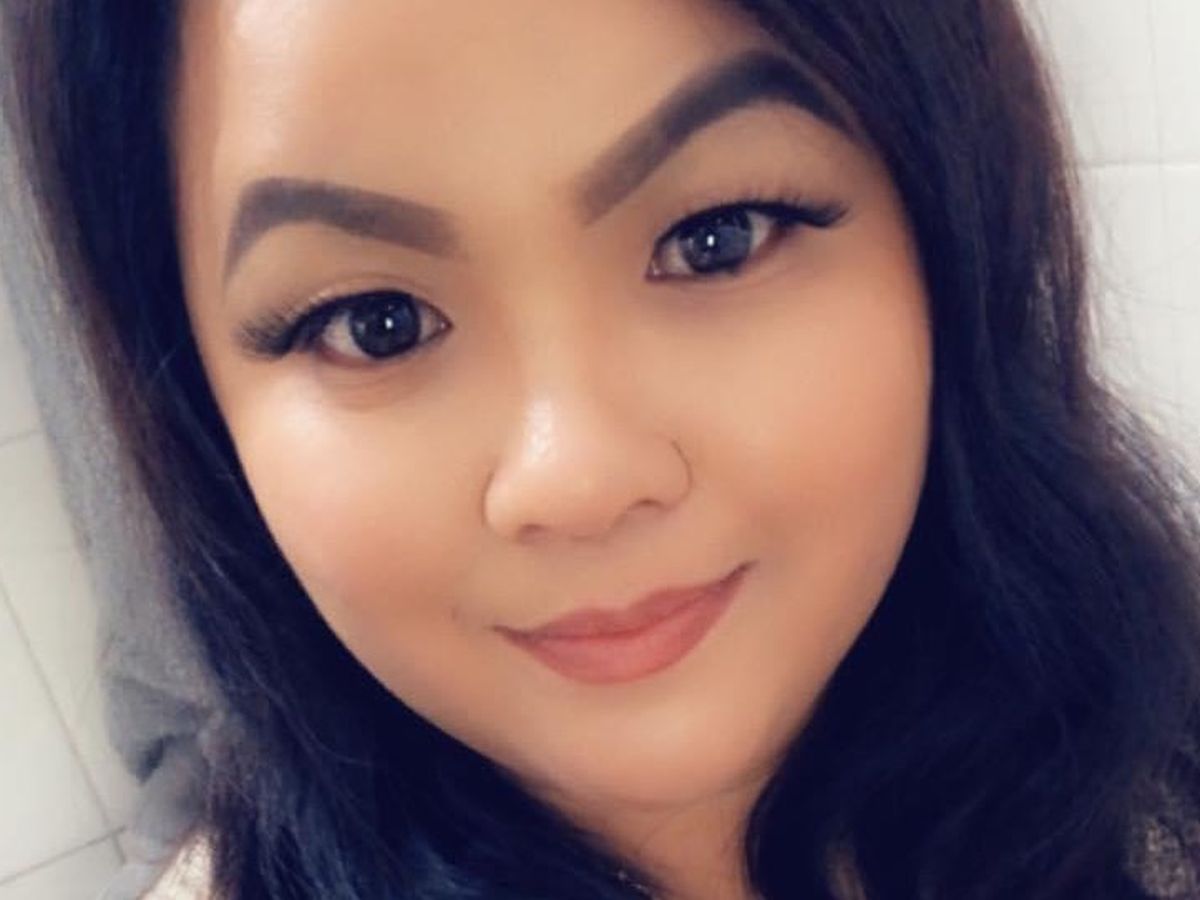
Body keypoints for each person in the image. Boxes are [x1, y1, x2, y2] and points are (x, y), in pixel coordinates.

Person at [3, 1, 1200, 898]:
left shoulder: (1151, 795)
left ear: (952, 230)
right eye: (376, 324)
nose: (574, 477)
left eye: (718, 238)